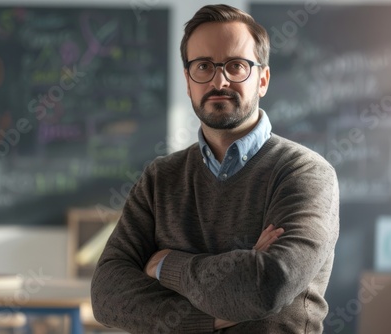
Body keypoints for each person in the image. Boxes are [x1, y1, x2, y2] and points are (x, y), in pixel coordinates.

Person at [91, 4, 339, 333]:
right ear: (188, 81)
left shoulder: (305, 174)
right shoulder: (159, 179)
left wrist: (164, 265)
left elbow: (268, 285)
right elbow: (107, 295)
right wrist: (213, 314)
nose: (218, 81)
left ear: (262, 79)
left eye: (236, 66)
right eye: (204, 66)